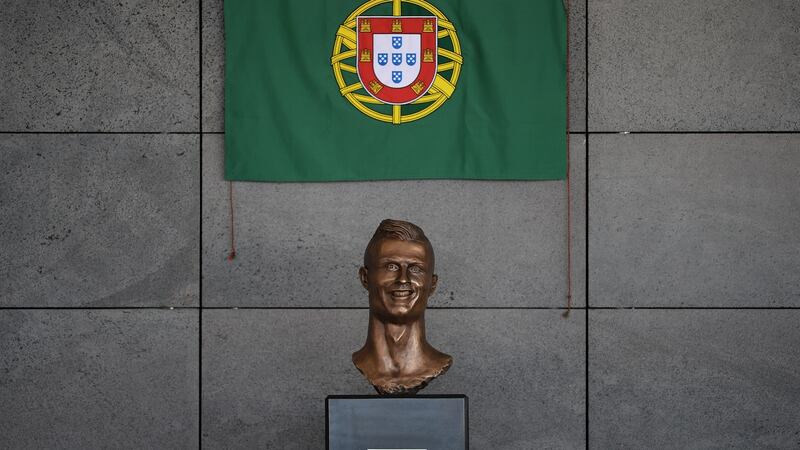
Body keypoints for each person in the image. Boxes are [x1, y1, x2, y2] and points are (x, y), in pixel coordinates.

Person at [353, 219, 452, 394]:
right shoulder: (360, 362)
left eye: (415, 269)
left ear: (432, 284)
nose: (403, 279)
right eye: (391, 266)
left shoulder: (437, 363)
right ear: (365, 278)